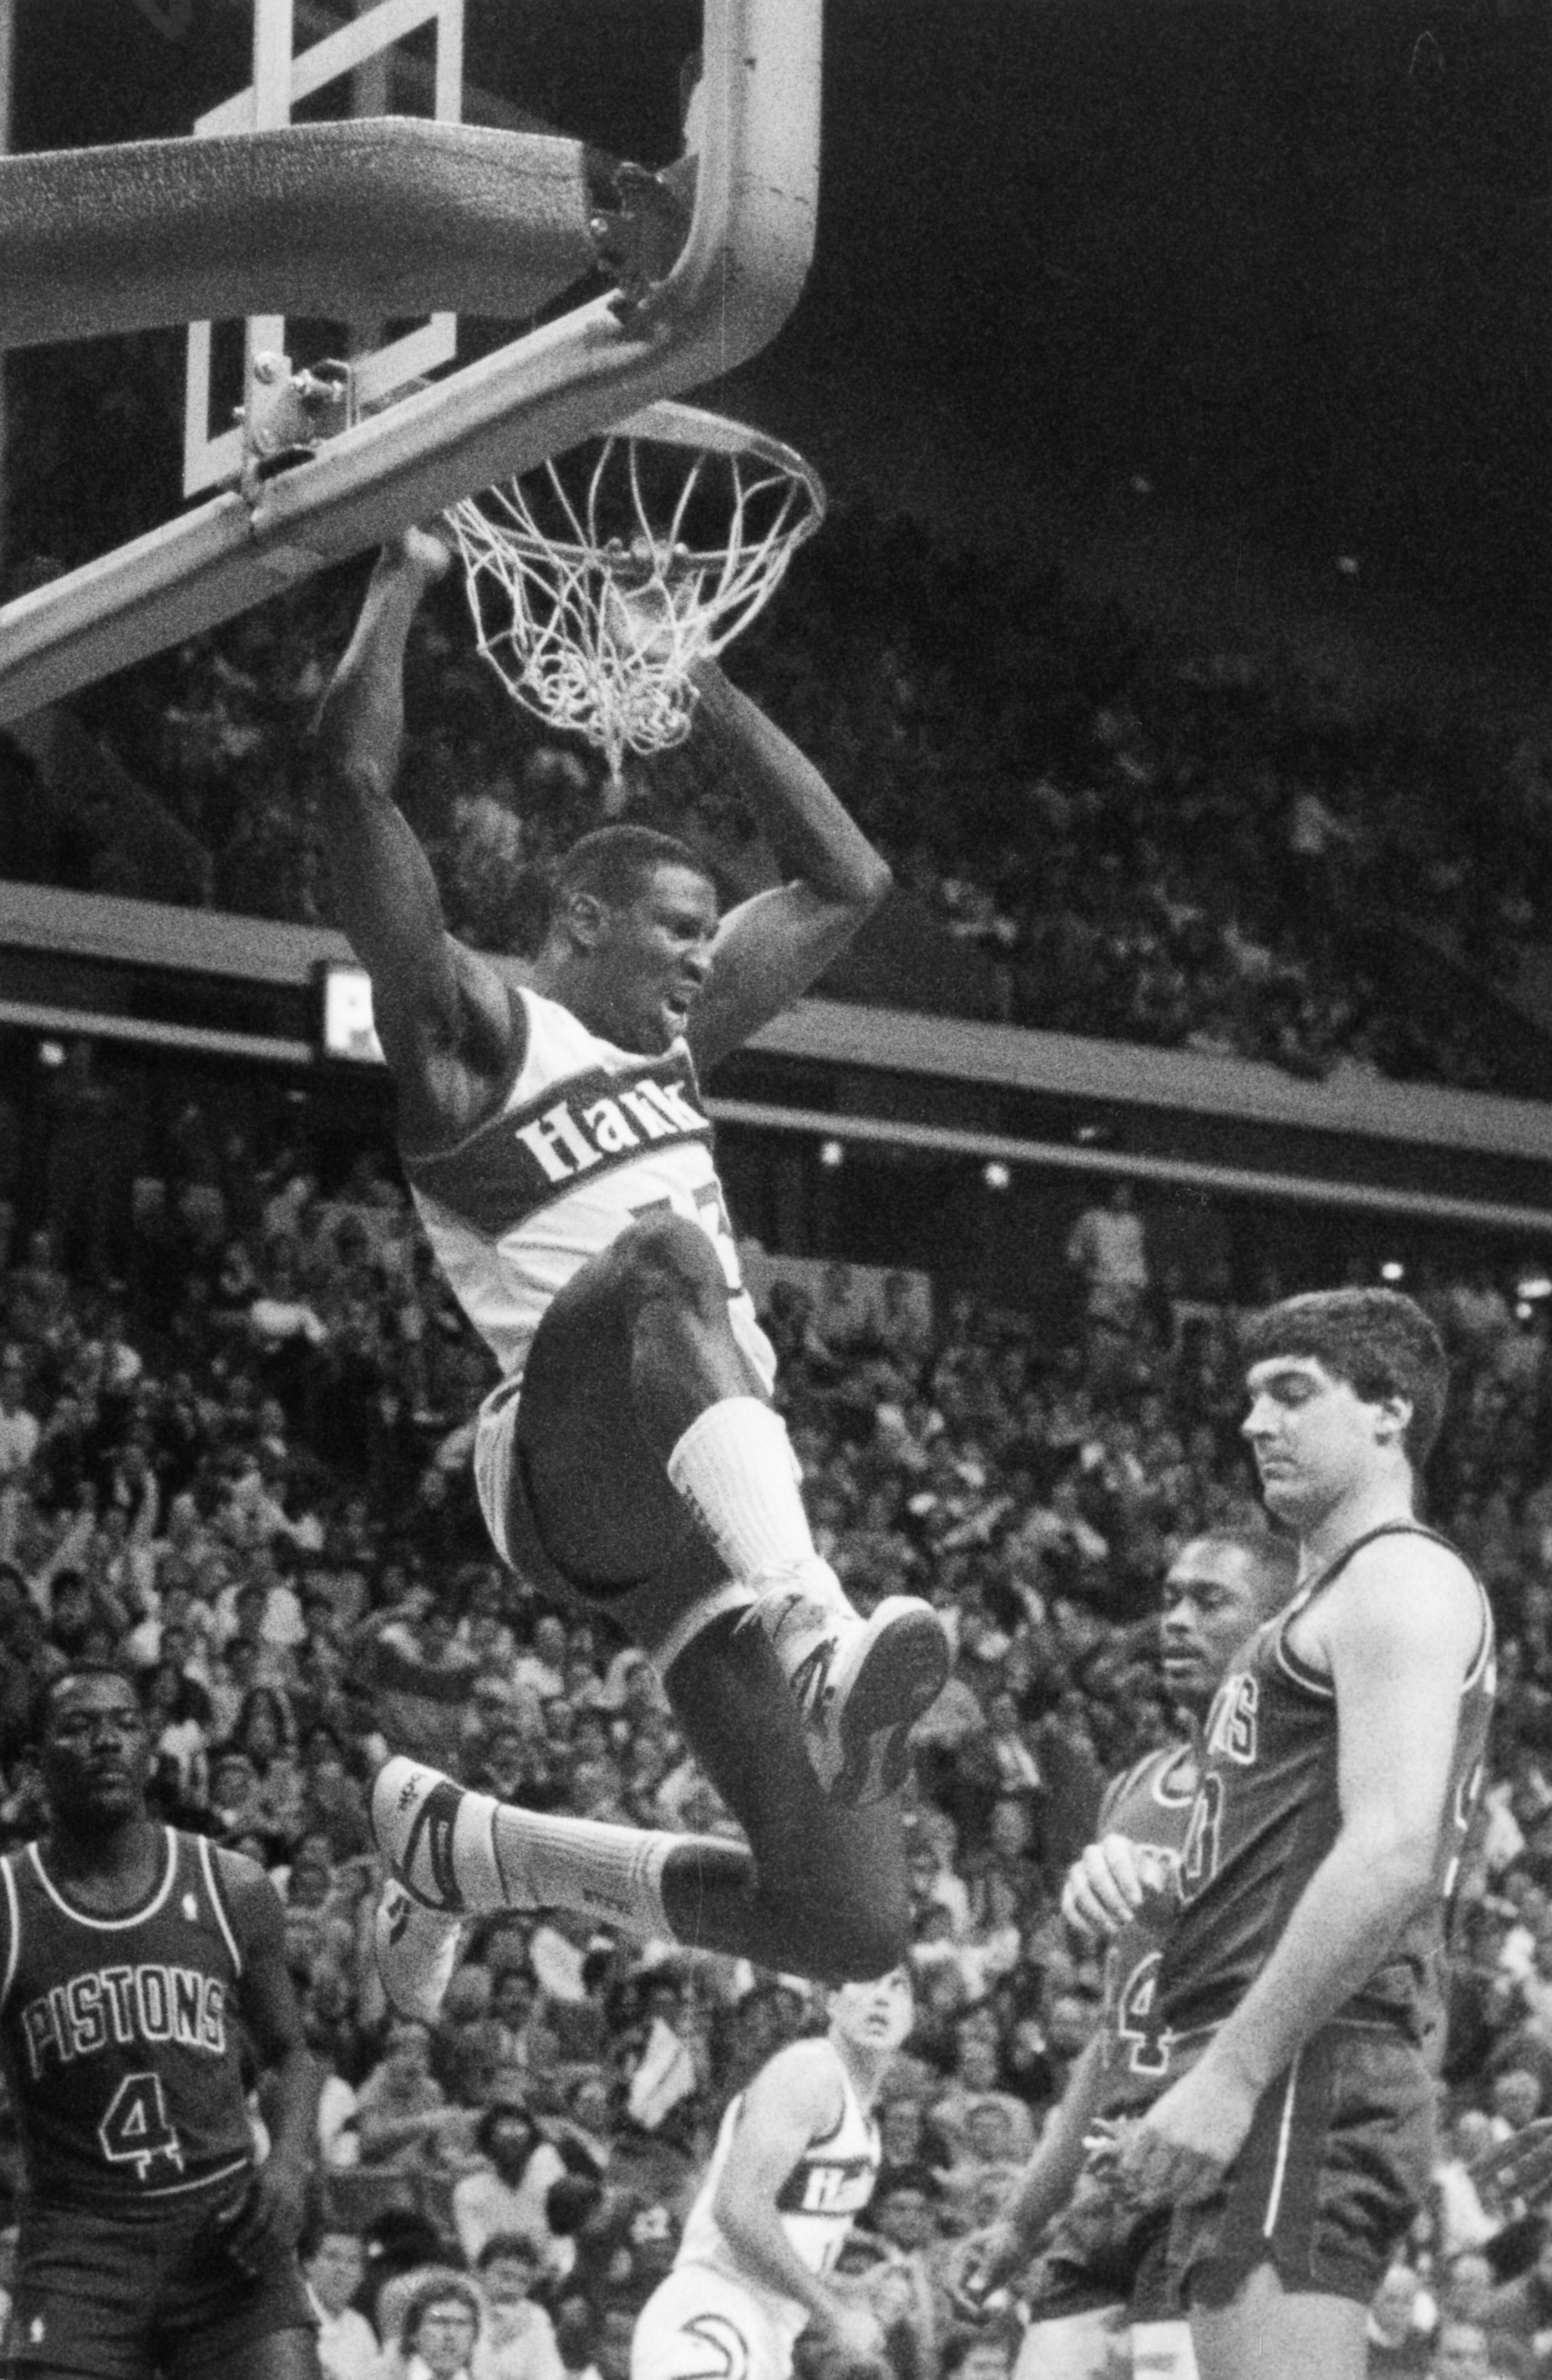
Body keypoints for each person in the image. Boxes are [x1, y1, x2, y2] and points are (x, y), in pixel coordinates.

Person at [313, 529, 949, 2008]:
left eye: (701, 938)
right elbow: (347, 786)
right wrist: (402, 579)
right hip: (564, 1451)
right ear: (580, 921)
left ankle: (476, 1853)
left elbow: (848, 878)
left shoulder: (668, 1041)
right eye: (672, 930)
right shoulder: (475, 1031)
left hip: (698, 1509)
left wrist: (703, 677)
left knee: (851, 1923)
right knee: (663, 1253)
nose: (696, 960)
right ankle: (812, 1633)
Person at [1082, 1289, 1496, 2380]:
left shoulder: (1401, 1578)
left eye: (1293, 1394)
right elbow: (1289, 1859)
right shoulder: (1319, 1607)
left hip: (1307, 2056)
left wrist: (1233, 2072)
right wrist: (1160, 1885)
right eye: (1252, 1399)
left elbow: (1393, 1850)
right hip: (1277, 2050)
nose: (1256, 1423)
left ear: (1389, 1410)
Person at [959, 1530, 1297, 2380]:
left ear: (1279, 1626)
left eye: (1211, 1601)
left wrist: (1180, 1887)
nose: (1177, 1620)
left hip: (1222, 2167)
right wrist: (1022, 2217)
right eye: (1172, 1597)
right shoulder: (1136, 1787)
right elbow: (1112, 2040)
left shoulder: (1304, 1787)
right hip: (1114, 2176)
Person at [0, 1662, 321, 2380]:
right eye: (78, 1728)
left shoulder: (231, 1884)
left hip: (225, 2229)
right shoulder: (11, 1904)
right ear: (33, 1765)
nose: (106, 1742)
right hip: (81, 2243)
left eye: (123, 1725)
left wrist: (290, 2167)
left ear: (151, 1750)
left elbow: (288, 2055)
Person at [629, 1967, 913, 2380]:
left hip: (764, 2331)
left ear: (913, 2017)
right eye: (866, 1981)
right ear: (830, 2002)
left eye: (898, 1987)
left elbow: (776, 2250)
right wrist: (833, 2311)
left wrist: (847, 2290)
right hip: (712, 2314)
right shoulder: (807, 2073)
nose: (881, 1998)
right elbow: (738, 2209)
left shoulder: (864, 2124)